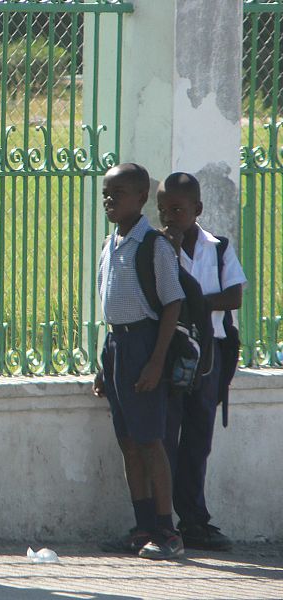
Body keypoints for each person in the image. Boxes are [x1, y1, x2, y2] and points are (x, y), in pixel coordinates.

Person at [93, 163, 186, 560]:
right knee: (129, 442)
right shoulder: (110, 244)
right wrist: (103, 362)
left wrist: (155, 362)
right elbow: (110, 311)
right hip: (118, 346)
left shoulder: (153, 245)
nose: (109, 201)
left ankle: (167, 530)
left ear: (141, 198)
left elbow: (172, 304)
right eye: (106, 194)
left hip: (145, 346)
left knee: (151, 442)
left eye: (119, 193)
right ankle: (141, 526)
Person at [157, 172, 246, 551]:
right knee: (166, 436)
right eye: (163, 210)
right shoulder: (159, 248)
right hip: (173, 351)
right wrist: (172, 253)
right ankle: (163, 520)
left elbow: (234, 297)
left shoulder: (219, 247)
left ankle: (195, 519)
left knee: (198, 438)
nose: (170, 217)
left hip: (209, 354)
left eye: (177, 209)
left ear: (197, 210)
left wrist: (195, 303)